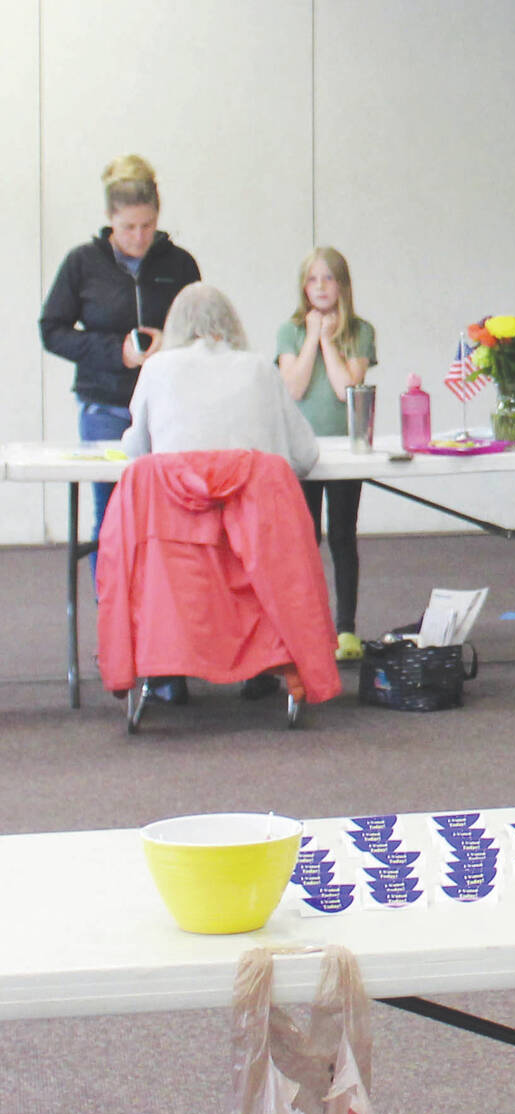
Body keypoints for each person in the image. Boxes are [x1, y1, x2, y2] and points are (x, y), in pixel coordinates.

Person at [119, 283, 321, 704]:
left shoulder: (155, 370)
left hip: (180, 546)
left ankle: (166, 670)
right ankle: (265, 663)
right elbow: (304, 456)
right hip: (252, 547)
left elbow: (137, 455)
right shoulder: (259, 370)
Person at [38, 154, 202, 551]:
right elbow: (52, 330)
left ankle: (158, 607)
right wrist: (116, 352)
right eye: (128, 227)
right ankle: (110, 606)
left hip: (167, 408)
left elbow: (202, 331)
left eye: (148, 225)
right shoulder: (82, 263)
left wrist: (171, 341)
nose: (139, 236)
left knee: (168, 511)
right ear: (110, 219)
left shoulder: (180, 265)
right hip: (105, 406)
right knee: (111, 511)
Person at [278, 247, 377, 660]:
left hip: (345, 450)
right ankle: (306, 626)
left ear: (342, 285)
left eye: (328, 279)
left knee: (341, 536)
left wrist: (327, 341)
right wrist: (310, 340)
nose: (320, 287)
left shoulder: (360, 331)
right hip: (302, 450)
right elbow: (293, 387)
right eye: (313, 279)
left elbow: (346, 389)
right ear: (304, 287)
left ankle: (346, 629)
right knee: (303, 539)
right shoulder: (290, 330)